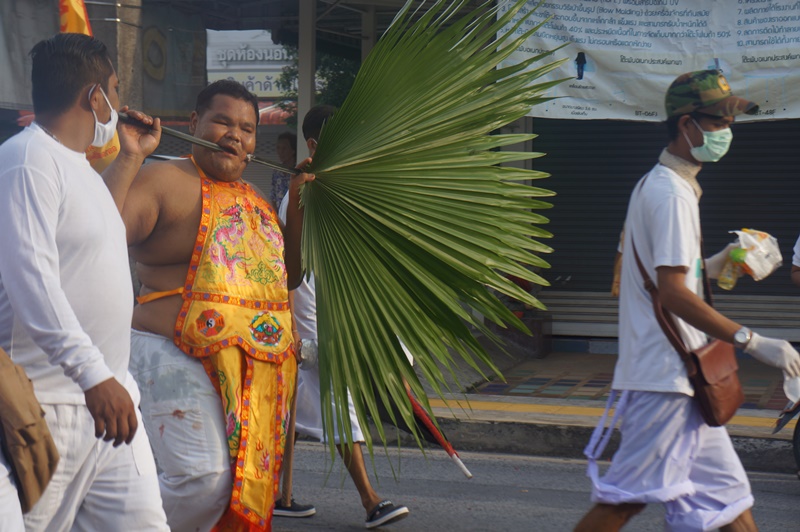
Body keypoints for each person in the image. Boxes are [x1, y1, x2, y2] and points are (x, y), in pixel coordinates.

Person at [574, 70, 800, 532]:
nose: (726, 133)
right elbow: (672, 293)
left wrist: (720, 261)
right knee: (623, 503)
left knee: (729, 504)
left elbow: (669, 275)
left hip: (682, 381)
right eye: (718, 123)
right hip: (666, 381)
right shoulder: (671, 194)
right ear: (686, 124)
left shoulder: (659, 184)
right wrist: (754, 341)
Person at [120, 79, 313, 531]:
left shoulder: (256, 201)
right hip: (167, 351)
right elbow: (94, 241)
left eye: (247, 129)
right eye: (222, 122)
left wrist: (300, 206)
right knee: (203, 481)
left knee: (239, 486)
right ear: (194, 123)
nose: (235, 136)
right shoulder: (163, 181)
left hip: (250, 369)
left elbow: (291, 275)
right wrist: (130, 157)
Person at [0, 33, 168, 530]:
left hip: (111, 408)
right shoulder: (27, 162)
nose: (119, 105)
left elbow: (102, 230)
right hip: (47, 405)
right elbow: (33, 284)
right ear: (94, 97)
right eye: (114, 92)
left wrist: (132, 155)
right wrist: (93, 374)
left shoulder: (76, 167)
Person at [276, 104, 410, 530]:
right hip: (310, 314)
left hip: (339, 313)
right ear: (314, 146)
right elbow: (293, 273)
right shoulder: (299, 194)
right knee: (335, 404)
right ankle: (371, 501)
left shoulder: (342, 190)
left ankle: (276, 493)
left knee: (295, 412)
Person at [270, 131, 298, 210]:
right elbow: (273, 196)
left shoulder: (298, 171)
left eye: (284, 148)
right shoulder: (276, 171)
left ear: (293, 150)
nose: (280, 152)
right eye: (278, 148)